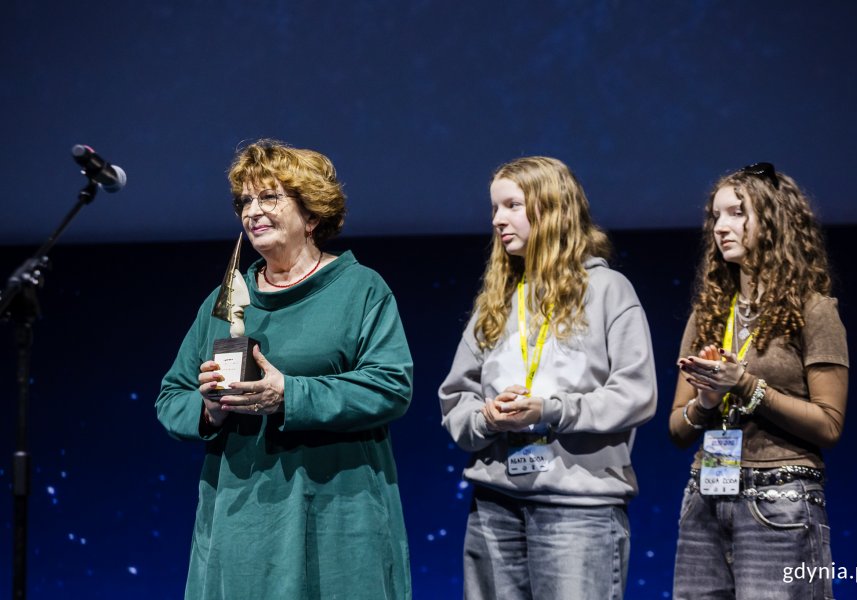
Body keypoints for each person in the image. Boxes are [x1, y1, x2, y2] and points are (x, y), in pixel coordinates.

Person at [156, 139, 413, 599]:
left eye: (269, 197)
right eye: (245, 201)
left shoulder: (361, 290)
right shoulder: (226, 302)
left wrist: (289, 395)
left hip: (339, 521)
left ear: (312, 215)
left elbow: (391, 386)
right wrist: (209, 409)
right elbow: (172, 396)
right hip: (242, 527)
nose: (253, 211)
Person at [439, 156, 657, 600]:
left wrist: (550, 410)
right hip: (495, 506)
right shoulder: (497, 301)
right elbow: (456, 396)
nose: (498, 220)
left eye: (512, 206)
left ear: (552, 208)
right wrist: (486, 417)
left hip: (578, 510)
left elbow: (636, 394)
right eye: (495, 209)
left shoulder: (609, 291)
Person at [670, 162, 849, 599]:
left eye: (736, 213)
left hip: (781, 501)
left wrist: (746, 385)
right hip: (705, 498)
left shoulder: (814, 310)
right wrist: (707, 402)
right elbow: (677, 429)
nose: (720, 227)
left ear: (771, 222)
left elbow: (829, 425)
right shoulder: (709, 314)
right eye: (715, 216)